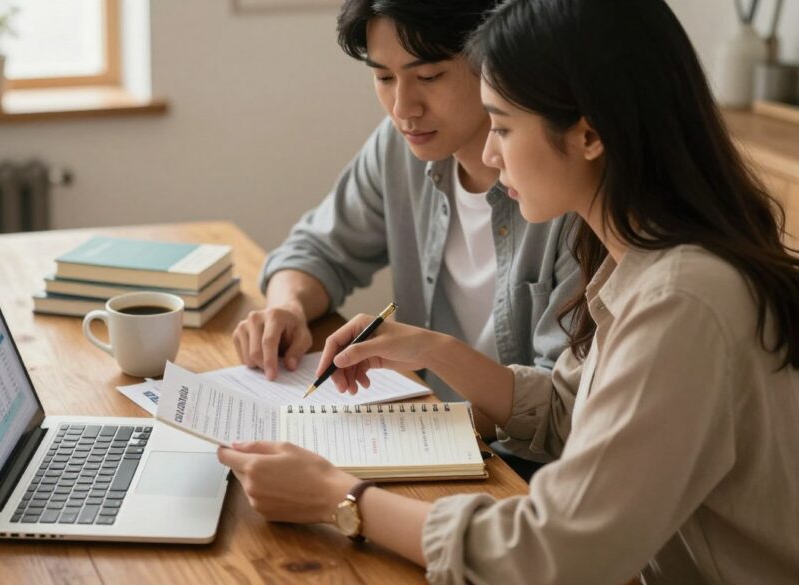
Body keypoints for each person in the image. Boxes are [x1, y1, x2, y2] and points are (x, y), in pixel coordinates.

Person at [217, 0, 799, 583]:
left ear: (589, 133)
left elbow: (554, 552)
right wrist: (430, 349)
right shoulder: (638, 261)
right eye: (383, 76)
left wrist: (339, 499)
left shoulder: (682, 298)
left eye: (503, 126)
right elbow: (573, 413)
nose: (490, 154)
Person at [233, 1, 580, 441]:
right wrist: (287, 306)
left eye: (429, 76)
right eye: (383, 77)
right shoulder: (401, 148)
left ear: (497, 60)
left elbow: (562, 412)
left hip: (515, 466)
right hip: (427, 432)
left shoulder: (567, 189)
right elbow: (316, 249)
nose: (403, 108)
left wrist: (403, 428)